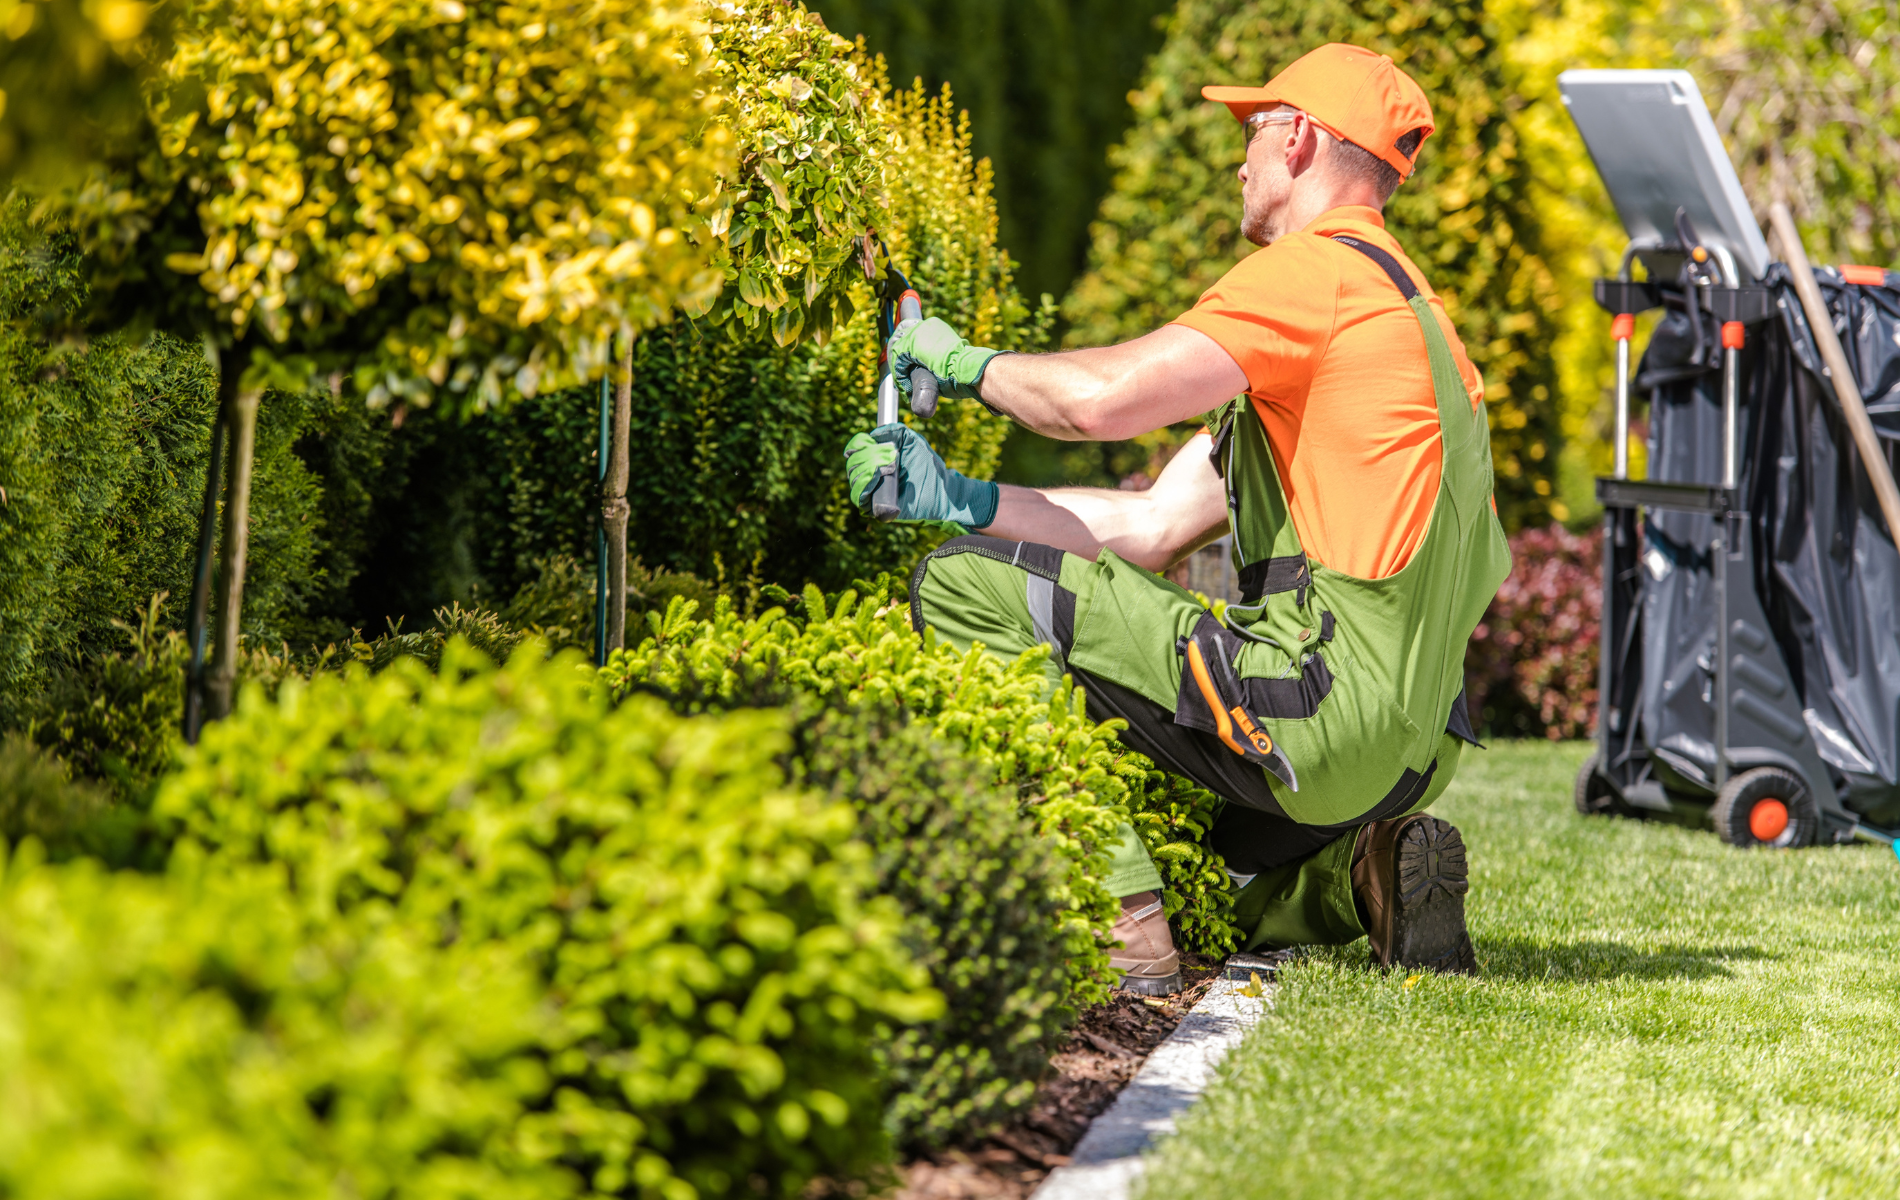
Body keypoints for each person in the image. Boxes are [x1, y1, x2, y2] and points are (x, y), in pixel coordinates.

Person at [843, 43, 1511, 993]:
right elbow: (1153, 525)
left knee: (959, 584)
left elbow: (1096, 403)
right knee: (1189, 847)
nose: (1238, 158)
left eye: (1253, 131)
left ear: (1302, 140)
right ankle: (1359, 878)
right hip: (1409, 751)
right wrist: (958, 498)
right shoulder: (1410, 319)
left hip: (1319, 711)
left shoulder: (1314, 276)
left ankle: (1118, 926)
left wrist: (960, 362)